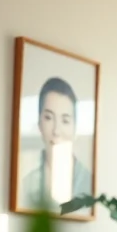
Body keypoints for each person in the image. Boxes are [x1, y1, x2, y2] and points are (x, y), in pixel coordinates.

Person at [20, 77, 92, 212]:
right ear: (39, 124)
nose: (56, 131)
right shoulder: (26, 184)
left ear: (75, 128)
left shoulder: (89, 182)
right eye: (49, 118)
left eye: (65, 120)